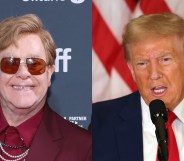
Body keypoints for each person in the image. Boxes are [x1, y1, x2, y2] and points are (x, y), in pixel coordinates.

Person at [92, 13, 184, 161]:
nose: (154, 74)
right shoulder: (101, 121)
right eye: (142, 63)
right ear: (132, 70)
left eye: (165, 60)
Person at [0, 14, 91, 161]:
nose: (23, 73)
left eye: (35, 64)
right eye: (10, 63)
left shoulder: (84, 148)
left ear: (49, 73)